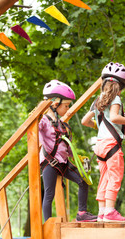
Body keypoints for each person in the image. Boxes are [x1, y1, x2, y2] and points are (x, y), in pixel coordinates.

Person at [81, 62, 125, 223]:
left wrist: (98, 125)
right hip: (111, 145)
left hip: (100, 145)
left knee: (104, 178)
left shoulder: (98, 100)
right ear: (121, 86)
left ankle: (101, 212)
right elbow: (114, 117)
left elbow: (84, 121)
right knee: (115, 177)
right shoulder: (116, 99)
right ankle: (109, 211)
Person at [39, 80, 97, 222]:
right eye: (66, 105)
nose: (67, 108)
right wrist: (38, 112)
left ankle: (82, 213)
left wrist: (77, 157)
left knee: (83, 182)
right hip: (50, 163)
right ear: (54, 103)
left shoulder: (61, 124)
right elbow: (32, 131)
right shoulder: (43, 121)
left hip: (63, 162)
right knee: (49, 194)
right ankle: (47, 223)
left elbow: (64, 144)